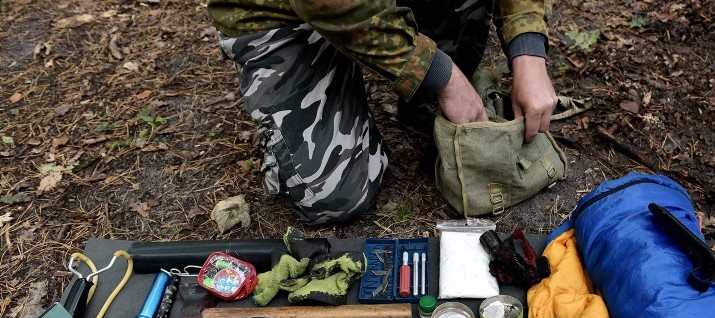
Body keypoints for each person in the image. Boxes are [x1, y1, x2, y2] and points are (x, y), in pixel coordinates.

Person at [207, 0, 558, 224]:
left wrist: (529, 52)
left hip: (372, 7)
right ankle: (341, 74)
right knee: (334, 199)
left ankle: (421, 93)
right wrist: (444, 77)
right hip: (287, 12)